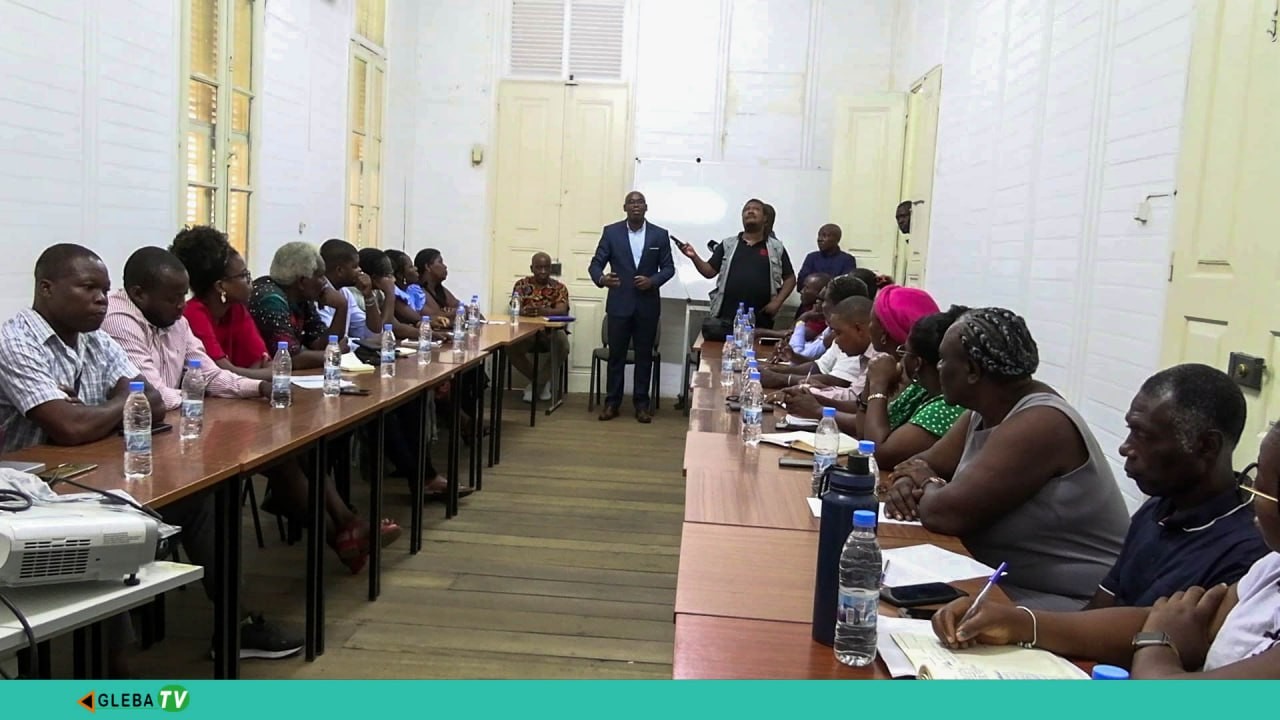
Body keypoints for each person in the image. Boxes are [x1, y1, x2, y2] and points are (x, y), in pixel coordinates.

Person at [0, 244, 302, 667]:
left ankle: (235, 626)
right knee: (109, 533)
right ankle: (115, 673)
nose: (101, 300)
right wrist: (114, 406)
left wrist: (98, 409)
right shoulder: (15, 341)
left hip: (100, 474)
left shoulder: (95, 340)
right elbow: (69, 428)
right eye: (88, 288)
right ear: (46, 288)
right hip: (32, 496)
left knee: (204, 498)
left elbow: (152, 401)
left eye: (105, 289)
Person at [930, 421, 1280, 679]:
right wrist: (1019, 622)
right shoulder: (1270, 569)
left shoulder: (1246, 549)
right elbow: (1167, 618)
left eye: (1260, 483)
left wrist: (1157, 643)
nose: (1251, 493)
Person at [883, 307, 1130, 609]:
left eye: (944, 359)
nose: (940, 367)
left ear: (973, 371)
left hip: (1069, 603)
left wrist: (927, 481)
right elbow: (920, 463)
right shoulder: (982, 411)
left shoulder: (1041, 422)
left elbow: (945, 515)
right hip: (993, 579)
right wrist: (911, 480)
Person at [1084, 364, 1267, 609]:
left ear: (1207, 446)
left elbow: (1146, 628)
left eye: (1143, 435)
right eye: (1131, 430)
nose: (1125, 448)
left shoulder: (1245, 554)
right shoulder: (1158, 508)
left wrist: (1034, 623)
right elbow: (1102, 605)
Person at [784, 305, 968, 472]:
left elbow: (878, 453)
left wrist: (878, 385)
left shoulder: (947, 406)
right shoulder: (919, 389)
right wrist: (870, 384)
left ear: (917, 363)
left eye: (905, 352)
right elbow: (864, 429)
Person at [587, 191, 675, 423]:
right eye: (631, 202)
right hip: (619, 304)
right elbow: (595, 264)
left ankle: (641, 405)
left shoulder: (659, 235)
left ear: (646, 207)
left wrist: (652, 281)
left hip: (647, 305)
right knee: (616, 356)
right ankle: (612, 403)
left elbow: (668, 268)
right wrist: (602, 279)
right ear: (624, 207)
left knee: (644, 357)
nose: (636, 206)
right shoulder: (611, 232)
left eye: (640, 202)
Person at [171, 226, 271, 380]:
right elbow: (220, 375)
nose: (250, 282)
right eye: (243, 275)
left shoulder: (236, 309)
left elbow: (268, 365)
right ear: (220, 286)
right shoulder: (193, 314)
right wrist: (250, 373)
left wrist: (239, 372)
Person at [681, 198, 796, 331]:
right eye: (746, 209)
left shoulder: (776, 247)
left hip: (761, 319)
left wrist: (777, 302)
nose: (750, 211)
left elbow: (790, 278)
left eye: (756, 209)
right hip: (726, 317)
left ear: (765, 218)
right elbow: (709, 271)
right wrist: (694, 256)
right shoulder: (728, 245)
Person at [247, 242, 339, 370]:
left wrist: (342, 307)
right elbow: (289, 358)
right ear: (302, 281)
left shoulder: (301, 296)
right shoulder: (270, 299)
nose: (325, 282)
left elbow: (319, 344)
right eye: (320, 276)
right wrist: (335, 354)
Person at [762, 274, 868, 379]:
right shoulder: (835, 330)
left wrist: (781, 378)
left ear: (840, 305)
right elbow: (819, 366)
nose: (819, 304)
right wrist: (774, 371)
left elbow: (837, 380)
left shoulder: (850, 336)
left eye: (823, 300)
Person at [509, 251, 571, 403]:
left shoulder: (559, 287)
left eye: (546, 267)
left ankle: (536, 385)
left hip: (551, 331)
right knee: (509, 347)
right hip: (527, 331)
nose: (543, 271)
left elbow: (562, 310)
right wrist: (525, 312)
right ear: (532, 268)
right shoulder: (521, 285)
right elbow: (515, 307)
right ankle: (541, 383)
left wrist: (542, 311)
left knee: (563, 345)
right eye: (539, 267)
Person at [316, 239, 379, 341]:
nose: (360, 270)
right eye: (355, 266)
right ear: (340, 270)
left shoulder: (345, 293)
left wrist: (369, 296)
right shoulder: (318, 293)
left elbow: (372, 333)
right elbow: (331, 340)